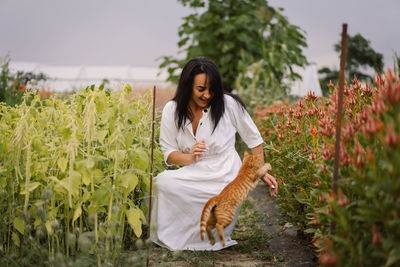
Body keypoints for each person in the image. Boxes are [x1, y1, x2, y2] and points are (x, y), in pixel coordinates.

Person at [150, 57, 278, 251]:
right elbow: (168, 152)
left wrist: (260, 171)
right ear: (187, 85)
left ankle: (207, 236)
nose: (207, 95)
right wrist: (190, 158)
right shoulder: (172, 110)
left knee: (220, 196)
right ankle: (179, 236)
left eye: (212, 89)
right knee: (163, 182)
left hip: (225, 170)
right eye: (201, 89)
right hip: (194, 169)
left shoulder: (229, 104)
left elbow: (254, 139)